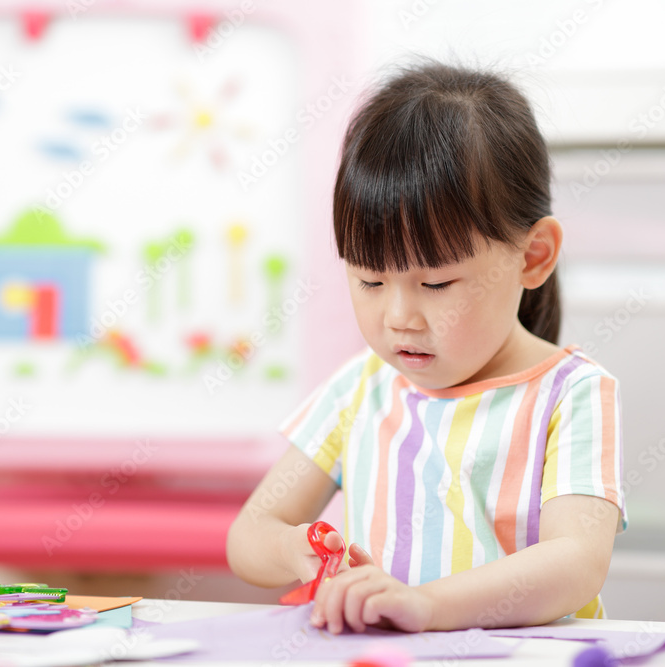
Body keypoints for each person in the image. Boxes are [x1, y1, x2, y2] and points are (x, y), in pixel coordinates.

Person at [226, 60, 626, 634]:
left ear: (533, 256)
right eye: (369, 280)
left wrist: (430, 605)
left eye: (435, 284)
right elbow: (251, 534)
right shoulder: (360, 389)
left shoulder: (573, 394)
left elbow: (576, 562)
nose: (398, 318)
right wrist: (299, 551)